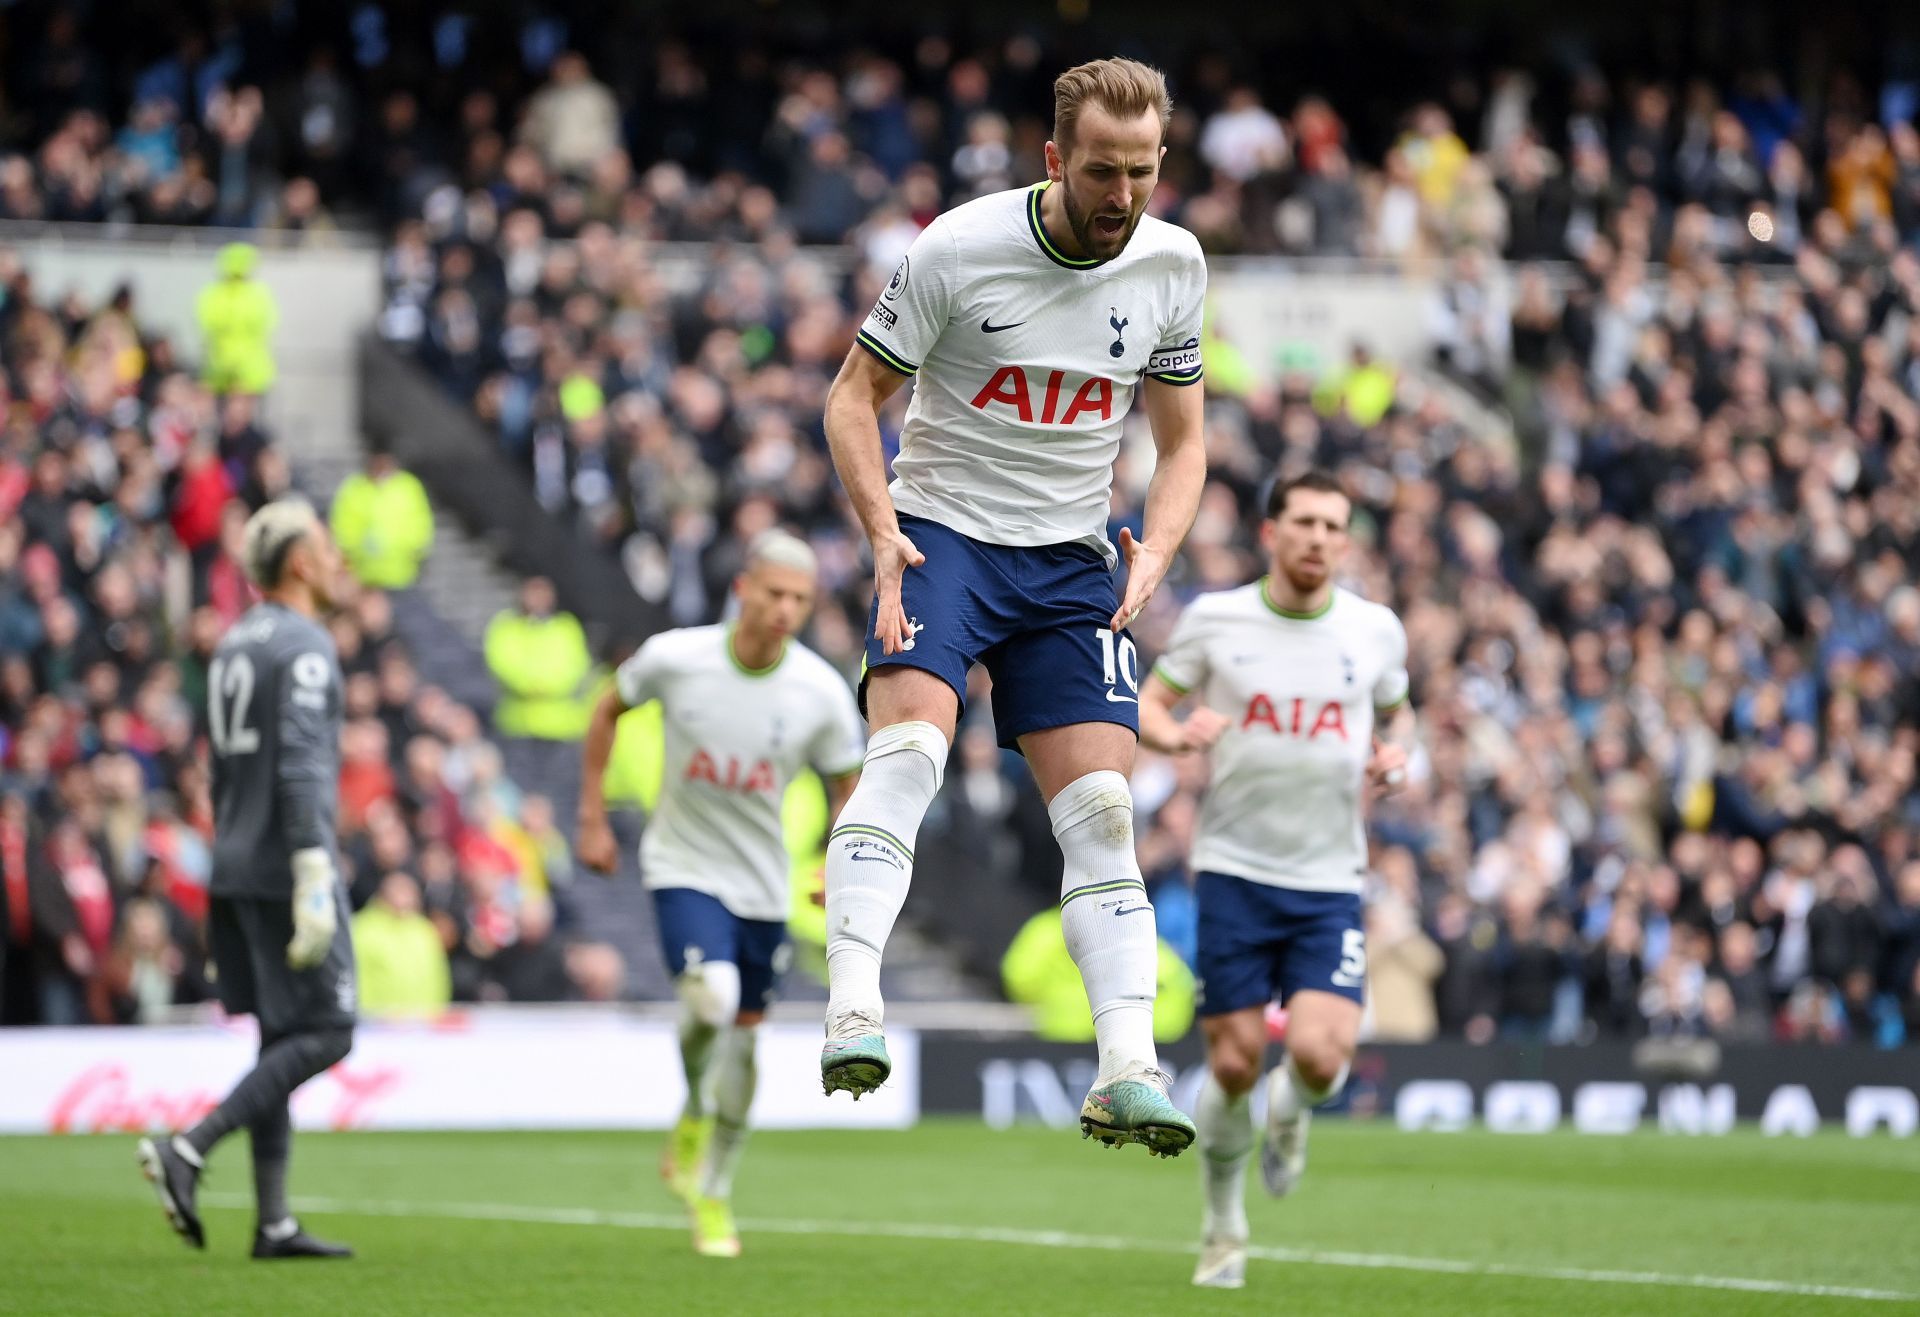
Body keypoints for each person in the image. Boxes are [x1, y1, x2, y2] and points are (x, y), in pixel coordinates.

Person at [819, 56, 1208, 1159]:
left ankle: (1127, 1069)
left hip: (1072, 560)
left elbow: (1184, 444)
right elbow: (853, 398)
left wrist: (1158, 554)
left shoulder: (1174, 265)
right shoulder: (956, 249)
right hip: (943, 532)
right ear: (1053, 159)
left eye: (1140, 172)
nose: (1120, 196)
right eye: (1099, 171)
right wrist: (882, 530)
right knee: (907, 759)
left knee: (1104, 817)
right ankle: (853, 1007)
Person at [1138, 470, 1415, 1289]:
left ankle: (1290, 1111)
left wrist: (1400, 757)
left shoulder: (1375, 631)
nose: (1320, 538)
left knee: (1325, 1057)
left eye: (1335, 525)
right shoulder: (1216, 620)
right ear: (1272, 533)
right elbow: (1150, 706)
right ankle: (1224, 1224)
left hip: (1330, 878)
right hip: (1234, 870)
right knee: (1231, 1065)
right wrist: (1178, 735)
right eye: (1305, 522)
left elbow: (1401, 714)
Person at [576, 531, 864, 1259]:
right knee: (709, 995)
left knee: (746, 1042)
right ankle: (696, 1110)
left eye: (800, 598)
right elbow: (608, 709)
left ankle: (714, 1188)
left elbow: (847, 784)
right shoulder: (678, 658)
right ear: (743, 588)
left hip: (764, 886)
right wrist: (591, 816)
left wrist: (838, 862)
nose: (786, 608)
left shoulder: (819, 692)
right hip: (683, 865)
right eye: (774, 592)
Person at [137, 497, 356, 1260]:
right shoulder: (304, 645)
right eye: (325, 549)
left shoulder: (234, 642)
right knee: (329, 1030)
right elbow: (298, 762)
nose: (336, 563)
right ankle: (189, 1147)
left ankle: (272, 1221)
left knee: (280, 1034)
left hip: (233, 858)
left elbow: (224, 770)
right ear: (298, 561)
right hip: (281, 863)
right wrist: (312, 869)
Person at [329, 447, 435, 590]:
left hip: (402, 578)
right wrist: (360, 553)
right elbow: (341, 530)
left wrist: (403, 551)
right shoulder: (353, 487)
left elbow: (421, 529)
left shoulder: (409, 486)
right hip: (363, 582)